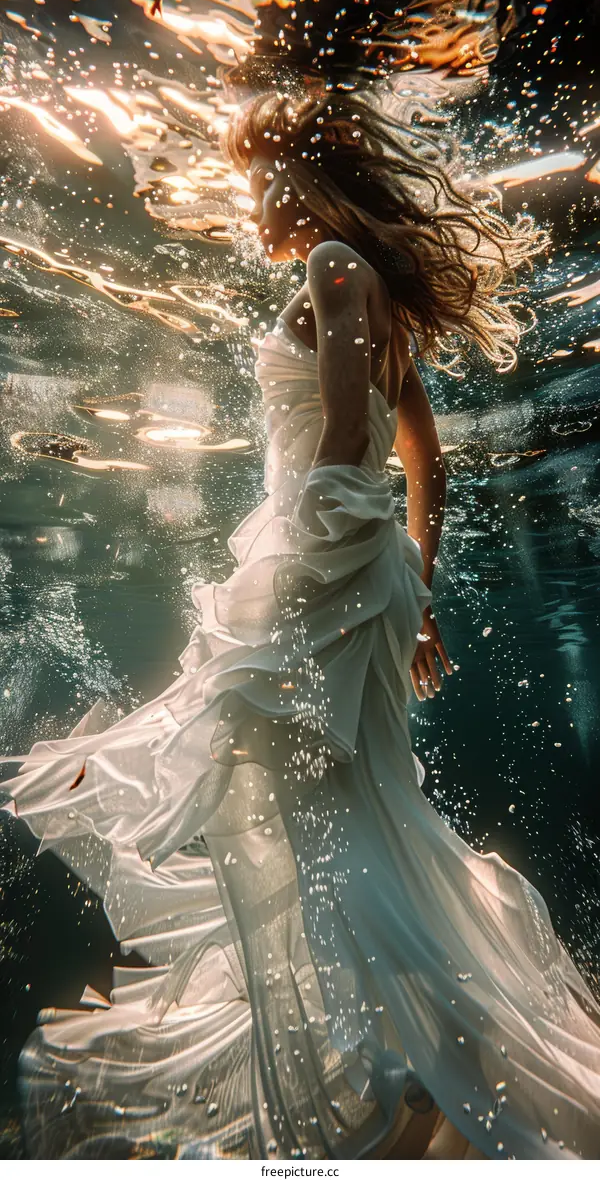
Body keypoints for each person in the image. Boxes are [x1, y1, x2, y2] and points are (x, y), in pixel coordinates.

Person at [2, 89, 600, 1161]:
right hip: (359, 572)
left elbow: (344, 436)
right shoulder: (371, 287)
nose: (250, 203)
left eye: (260, 177)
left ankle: (412, 1060)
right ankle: (418, 1047)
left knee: (313, 811)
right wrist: (411, 596)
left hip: (323, 566)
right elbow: (425, 459)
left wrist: (297, 576)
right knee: (344, 810)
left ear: (308, 174)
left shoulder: (332, 264)